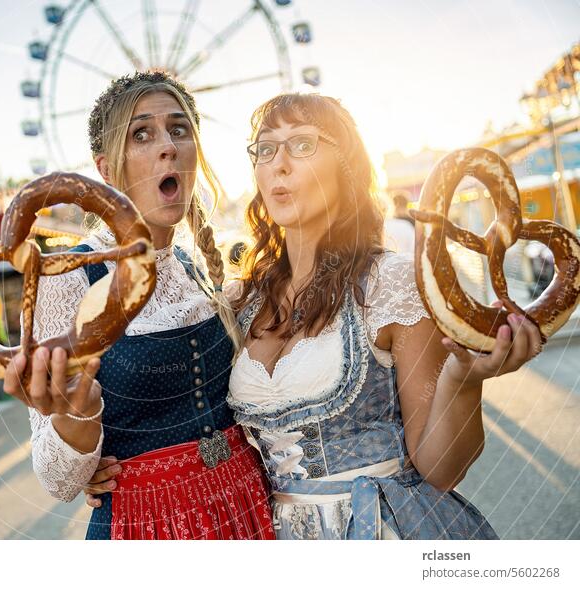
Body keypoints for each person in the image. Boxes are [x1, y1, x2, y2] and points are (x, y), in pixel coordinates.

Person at [224, 93, 543, 539]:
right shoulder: (241, 300)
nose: (278, 163)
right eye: (265, 148)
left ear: (346, 166)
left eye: (301, 144)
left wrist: (463, 381)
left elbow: (441, 468)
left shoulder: (390, 284)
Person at [3, 71, 274, 540]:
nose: (167, 145)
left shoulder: (199, 269)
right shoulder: (70, 278)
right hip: (144, 525)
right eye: (142, 134)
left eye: (179, 129)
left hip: (244, 510)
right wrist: (78, 417)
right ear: (107, 171)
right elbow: (56, 479)